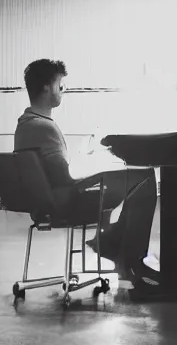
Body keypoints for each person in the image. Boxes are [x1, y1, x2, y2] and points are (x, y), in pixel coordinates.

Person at [14, 58, 160, 286]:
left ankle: (112, 245)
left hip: (47, 201)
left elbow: (54, 170)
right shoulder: (44, 127)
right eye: (60, 85)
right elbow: (65, 176)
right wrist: (93, 167)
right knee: (144, 179)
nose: (62, 91)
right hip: (65, 202)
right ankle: (125, 255)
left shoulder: (25, 124)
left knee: (132, 183)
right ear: (46, 87)